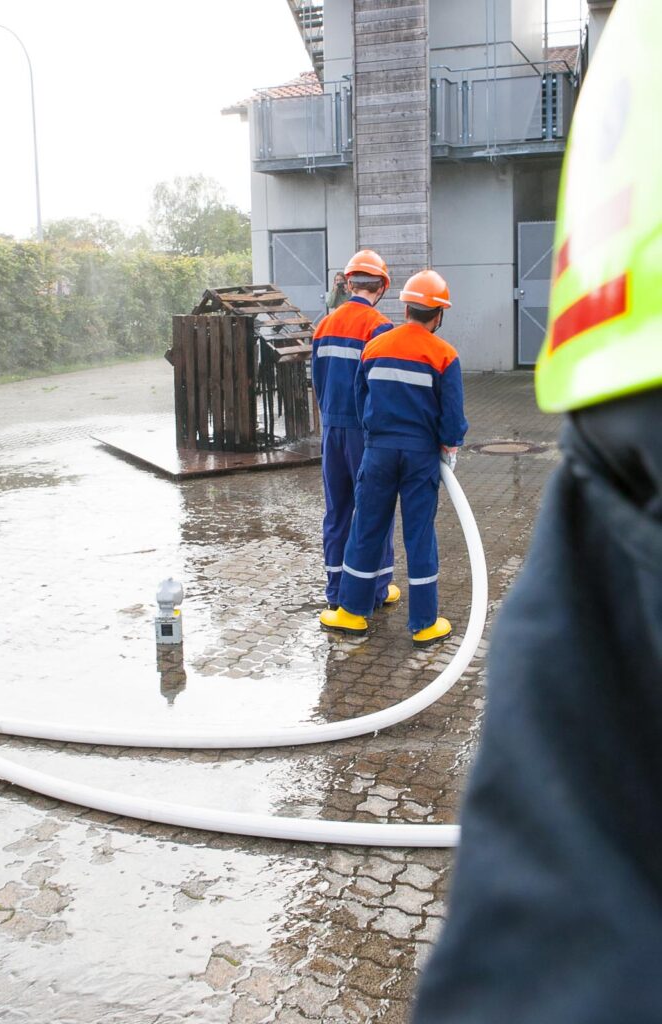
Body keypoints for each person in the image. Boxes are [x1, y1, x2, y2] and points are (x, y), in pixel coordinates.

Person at [412, 0, 662, 1019]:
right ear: (432, 307)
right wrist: (451, 442)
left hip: (624, 363)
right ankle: (414, 616)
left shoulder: (366, 335)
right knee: (414, 551)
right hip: (615, 355)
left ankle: (359, 609)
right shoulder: (427, 348)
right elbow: (451, 406)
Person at [320, 270, 467, 644]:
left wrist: (373, 438)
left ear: (405, 308)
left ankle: (351, 613)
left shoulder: (375, 347)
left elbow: (360, 399)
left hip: (378, 452)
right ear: (438, 315)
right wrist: (450, 445)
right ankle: (424, 623)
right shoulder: (445, 356)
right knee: (419, 535)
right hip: (420, 457)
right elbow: (452, 419)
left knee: (366, 528)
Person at [312, 249, 399, 610]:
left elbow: (317, 381)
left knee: (337, 511)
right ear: (382, 287)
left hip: (331, 429)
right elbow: (383, 390)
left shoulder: (323, 325)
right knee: (374, 509)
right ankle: (376, 590)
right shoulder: (380, 328)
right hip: (365, 434)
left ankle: (335, 591)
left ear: (349, 284)